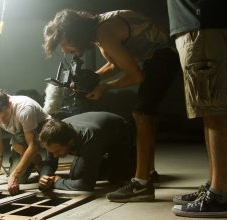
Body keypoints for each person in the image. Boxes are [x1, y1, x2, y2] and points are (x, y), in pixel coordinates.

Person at [43, 9, 180, 201]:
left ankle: (141, 184)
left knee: (142, 115)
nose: (65, 50)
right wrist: (93, 78)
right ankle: (148, 174)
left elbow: (135, 75)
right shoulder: (98, 34)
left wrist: (104, 87)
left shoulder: (104, 32)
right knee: (145, 115)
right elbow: (115, 64)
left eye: (65, 44)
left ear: (75, 34)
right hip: (155, 54)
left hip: (166, 51)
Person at [167, 0, 227, 217]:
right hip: (200, 23)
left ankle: (220, 194)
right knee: (209, 111)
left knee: (215, 110)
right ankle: (215, 185)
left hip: (202, 23)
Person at [38, 111, 135, 191]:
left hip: (119, 135)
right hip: (96, 135)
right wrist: (44, 177)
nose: (55, 156)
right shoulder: (53, 135)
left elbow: (86, 185)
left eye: (57, 151)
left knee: (117, 179)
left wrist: (58, 182)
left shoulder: (89, 137)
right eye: (52, 152)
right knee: (76, 176)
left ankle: (125, 161)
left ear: (70, 142)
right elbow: (49, 163)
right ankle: (97, 159)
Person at [0, 88, 50, 195]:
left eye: (5, 116)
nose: (2, 121)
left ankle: (30, 157)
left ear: (10, 104)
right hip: (22, 134)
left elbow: (33, 145)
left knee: (16, 175)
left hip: (43, 131)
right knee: (21, 179)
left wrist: (14, 175)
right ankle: (35, 160)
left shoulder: (24, 108)